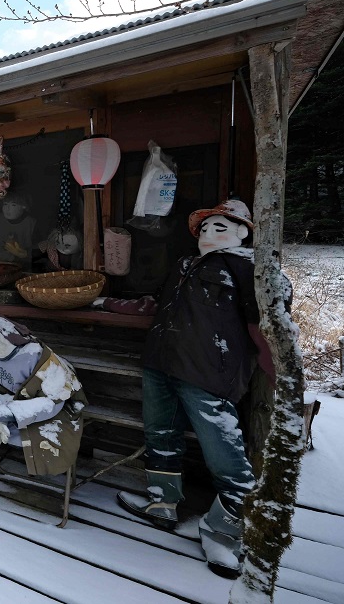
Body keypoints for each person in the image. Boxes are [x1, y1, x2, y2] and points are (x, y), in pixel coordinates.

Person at [102, 199, 287, 578]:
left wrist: (280, 373)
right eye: (204, 229)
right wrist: (107, 302)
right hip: (161, 363)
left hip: (209, 373)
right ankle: (162, 503)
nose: (207, 234)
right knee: (161, 433)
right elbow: (153, 304)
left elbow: (267, 327)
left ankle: (224, 531)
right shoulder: (185, 265)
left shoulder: (252, 270)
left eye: (220, 228)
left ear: (243, 233)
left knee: (225, 453)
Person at [0, 316, 86, 476]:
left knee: (48, 439)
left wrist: (1, 414)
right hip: (9, 404)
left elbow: (51, 404)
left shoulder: (37, 359)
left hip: (45, 413)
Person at [0, 189, 36, 270]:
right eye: (5, 204)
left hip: (24, 266)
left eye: (13, 205)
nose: (7, 209)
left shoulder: (32, 223)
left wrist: (25, 254)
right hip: (1, 265)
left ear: (24, 206)